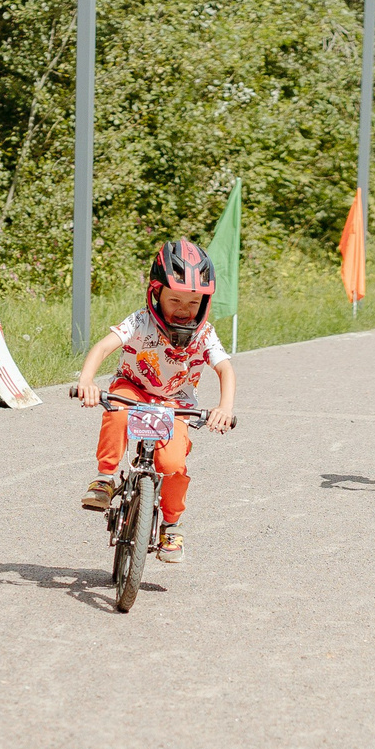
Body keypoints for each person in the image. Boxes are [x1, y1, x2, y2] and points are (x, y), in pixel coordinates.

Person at [74, 240, 239, 564]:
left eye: (193, 302)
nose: (182, 308)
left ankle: (172, 525)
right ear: (156, 293)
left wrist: (225, 407)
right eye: (174, 298)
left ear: (204, 302)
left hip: (176, 403)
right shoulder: (140, 322)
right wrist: (86, 381)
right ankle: (105, 479)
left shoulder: (204, 334)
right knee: (118, 412)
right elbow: (103, 348)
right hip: (133, 388)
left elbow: (225, 369)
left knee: (172, 465)